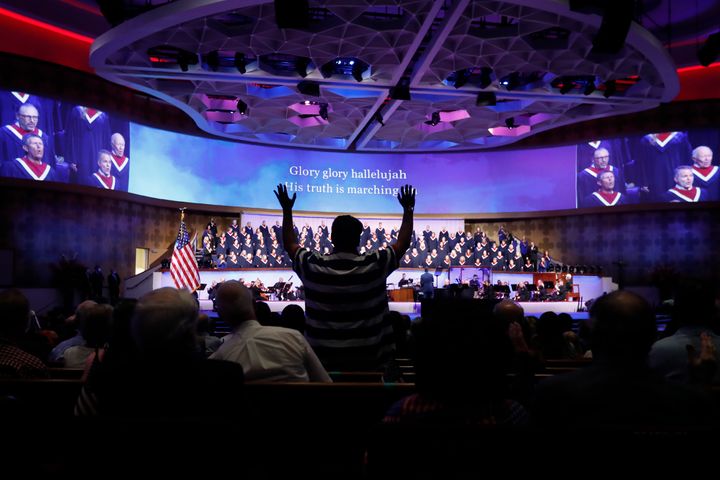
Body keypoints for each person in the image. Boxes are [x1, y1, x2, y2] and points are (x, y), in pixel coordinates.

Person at [275, 183, 415, 371]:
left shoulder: (312, 265)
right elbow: (403, 244)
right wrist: (408, 209)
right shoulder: (374, 264)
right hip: (370, 366)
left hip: (323, 368)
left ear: (331, 237)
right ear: (358, 239)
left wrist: (287, 210)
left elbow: (290, 244)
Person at [533, 291, 713, 431]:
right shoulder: (686, 400)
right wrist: (701, 383)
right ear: (652, 336)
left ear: (590, 334)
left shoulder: (551, 394)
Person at [210, 280, 331, 382]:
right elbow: (325, 383)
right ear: (254, 304)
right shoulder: (293, 337)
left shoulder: (219, 358)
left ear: (219, 314)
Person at [0, 103, 56, 168]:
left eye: (35, 117)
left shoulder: (44, 137)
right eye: (28, 117)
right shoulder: (4, 134)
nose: (32, 121)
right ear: (17, 116)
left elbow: (50, 164)